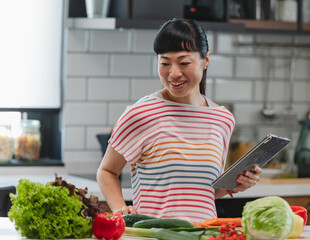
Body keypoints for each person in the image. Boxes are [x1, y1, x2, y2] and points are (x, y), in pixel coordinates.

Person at [97, 18, 262, 223]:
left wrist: (235, 184)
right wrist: (120, 210)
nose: (173, 73)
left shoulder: (222, 119)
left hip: (204, 234)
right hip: (153, 235)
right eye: (165, 63)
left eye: (184, 63)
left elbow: (203, 191)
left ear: (206, 60)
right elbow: (106, 171)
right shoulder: (141, 113)